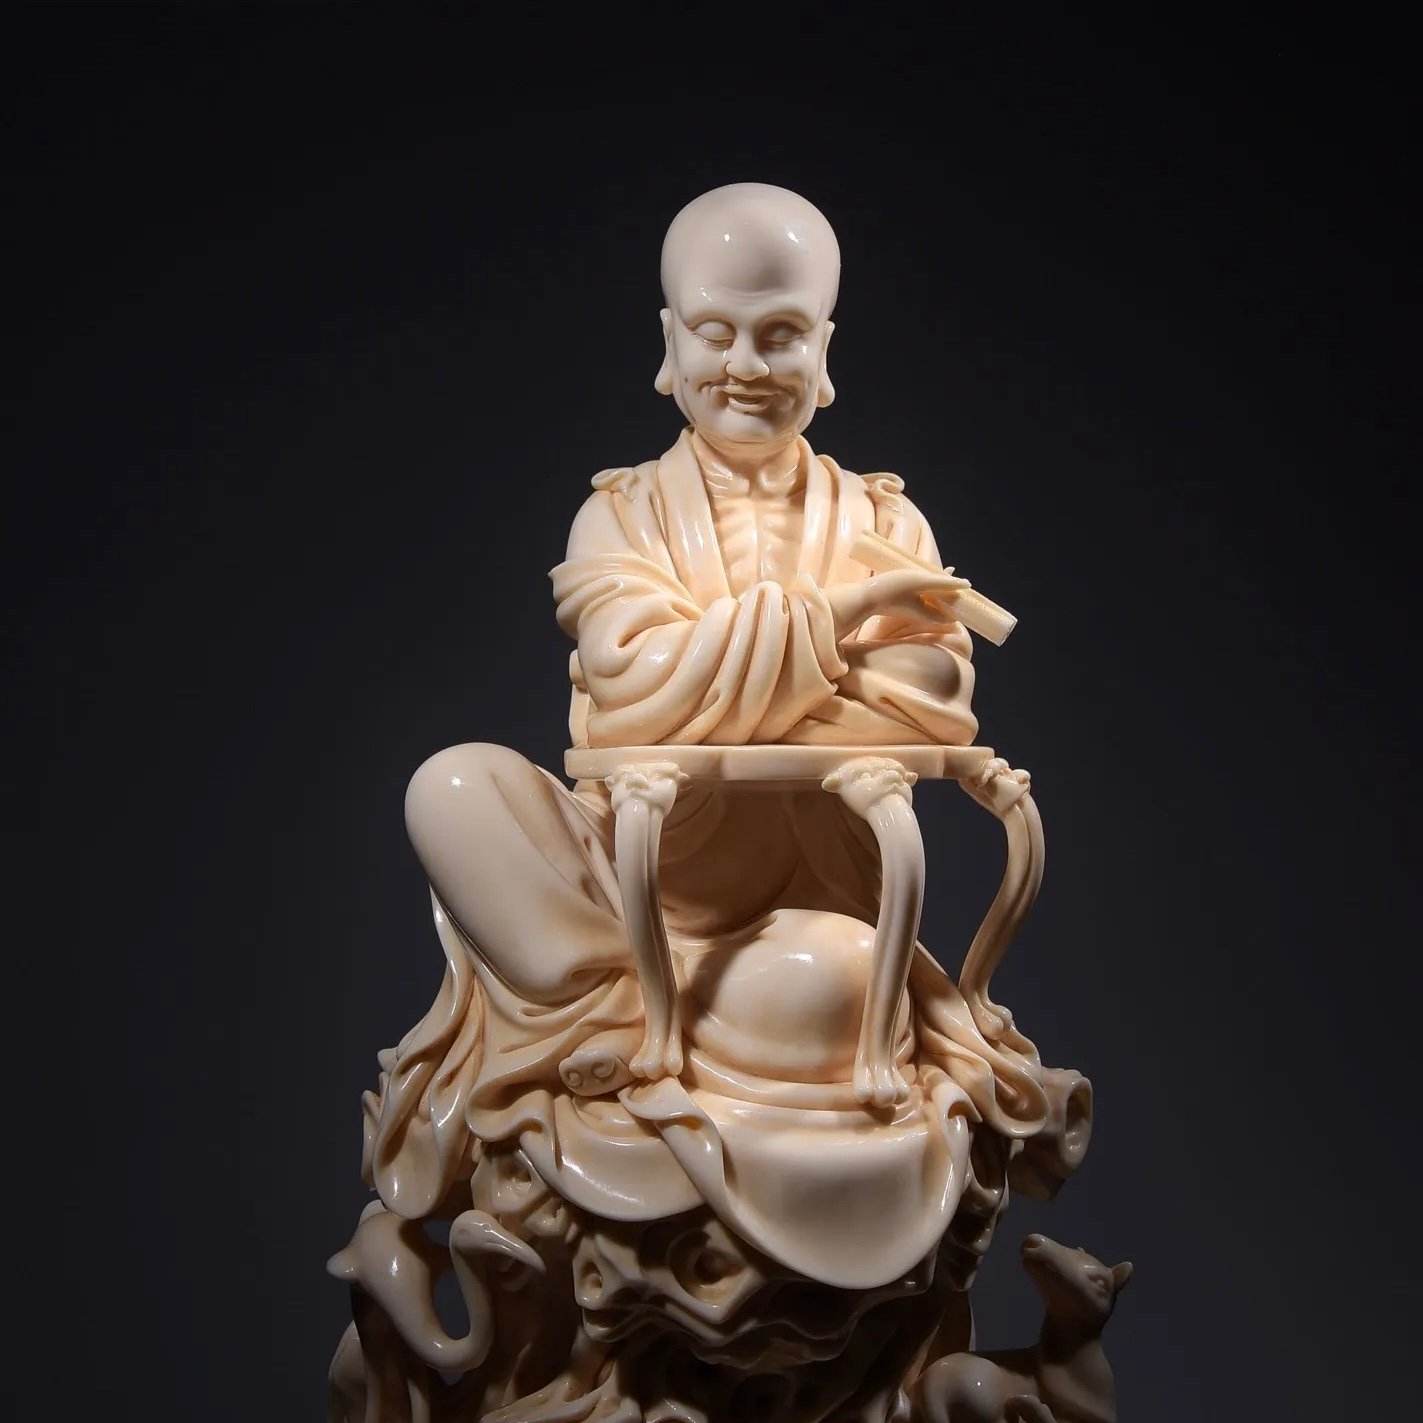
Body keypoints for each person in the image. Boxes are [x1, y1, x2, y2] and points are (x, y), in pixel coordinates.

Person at [366, 184, 1051, 1293]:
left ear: (824, 349)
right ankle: (613, 1006)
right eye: (714, 331)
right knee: (451, 786)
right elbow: (629, 682)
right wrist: (836, 621)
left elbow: (930, 694)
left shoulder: (883, 519)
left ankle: (698, 1014)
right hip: (630, 886)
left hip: (806, 908)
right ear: (669, 341)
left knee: (820, 983)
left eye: (780, 334)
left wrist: (711, 678)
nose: (744, 365)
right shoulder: (621, 514)